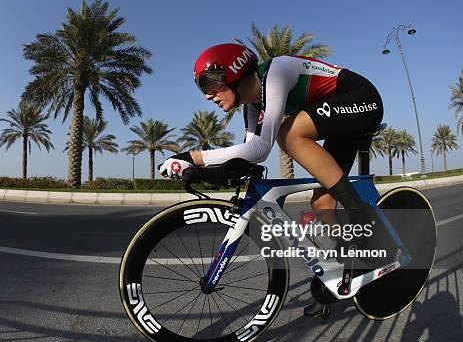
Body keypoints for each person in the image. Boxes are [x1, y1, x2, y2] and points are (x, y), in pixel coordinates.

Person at [159, 43, 384, 317]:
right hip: (336, 115)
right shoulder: (252, 107)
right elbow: (251, 152)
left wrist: (194, 157)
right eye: (201, 87)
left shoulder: (275, 71)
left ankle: (361, 220)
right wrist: (202, 168)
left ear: (234, 71)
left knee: (289, 134)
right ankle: (341, 277)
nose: (207, 96)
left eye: (208, 83)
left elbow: (264, 146)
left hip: (359, 97)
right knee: (322, 202)